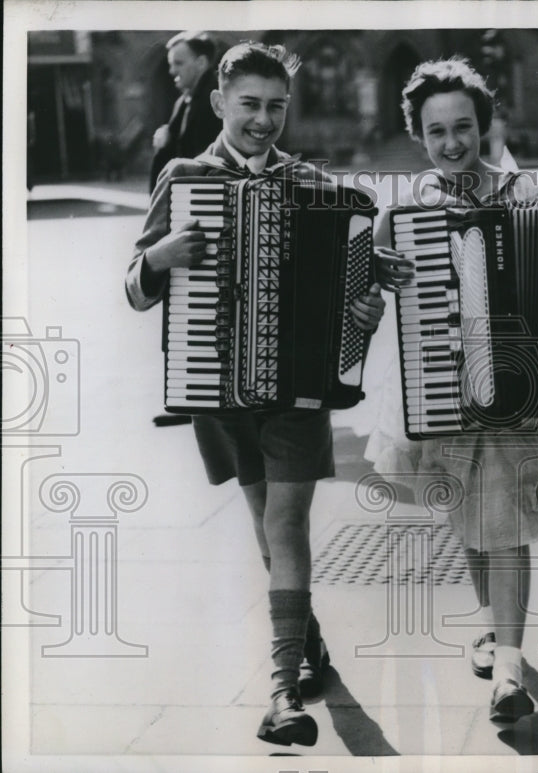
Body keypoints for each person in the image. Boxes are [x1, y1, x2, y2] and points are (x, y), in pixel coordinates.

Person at [125, 41, 386, 746]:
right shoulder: (183, 178)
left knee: (287, 524)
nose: (264, 120)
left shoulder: (313, 185)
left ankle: (282, 689)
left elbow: (355, 283)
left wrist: (365, 312)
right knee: (267, 524)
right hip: (217, 389)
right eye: (250, 105)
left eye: (276, 106)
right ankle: (308, 643)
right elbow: (132, 288)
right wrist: (159, 257)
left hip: (299, 394)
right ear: (219, 104)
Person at [367, 57, 538, 722]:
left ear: (483, 127)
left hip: (516, 386)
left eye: (464, 128)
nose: (452, 143)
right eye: (436, 131)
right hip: (441, 387)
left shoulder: (524, 194)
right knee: (471, 520)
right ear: (418, 135)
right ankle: (491, 625)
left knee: (505, 524)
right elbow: (375, 298)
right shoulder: (404, 210)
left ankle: (509, 670)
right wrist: (379, 275)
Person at [149, 31, 222, 192]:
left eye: (178, 63)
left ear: (201, 63)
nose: (171, 71)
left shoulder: (214, 100)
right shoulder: (185, 100)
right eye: (171, 64)